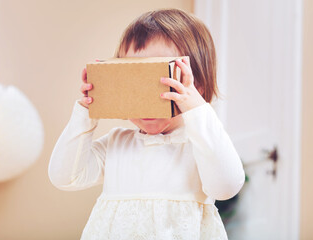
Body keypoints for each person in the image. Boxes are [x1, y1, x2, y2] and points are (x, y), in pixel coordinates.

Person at [49, 8, 245, 240]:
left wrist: (197, 110)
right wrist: (86, 112)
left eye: (163, 79)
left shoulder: (199, 146)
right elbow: (64, 176)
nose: (148, 96)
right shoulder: (117, 143)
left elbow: (227, 186)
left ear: (197, 86)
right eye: (135, 80)